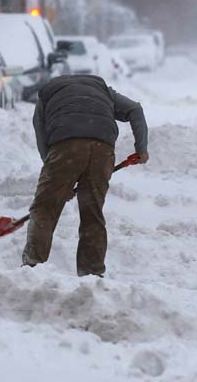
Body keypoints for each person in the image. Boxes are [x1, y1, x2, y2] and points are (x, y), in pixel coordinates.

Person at [22, 75, 149, 277]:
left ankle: (32, 268)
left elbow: (42, 138)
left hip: (66, 146)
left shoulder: (47, 95)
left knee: (44, 209)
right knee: (92, 212)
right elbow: (135, 109)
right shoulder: (104, 91)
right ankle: (92, 272)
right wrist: (141, 148)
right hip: (102, 149)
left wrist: (59, 180)